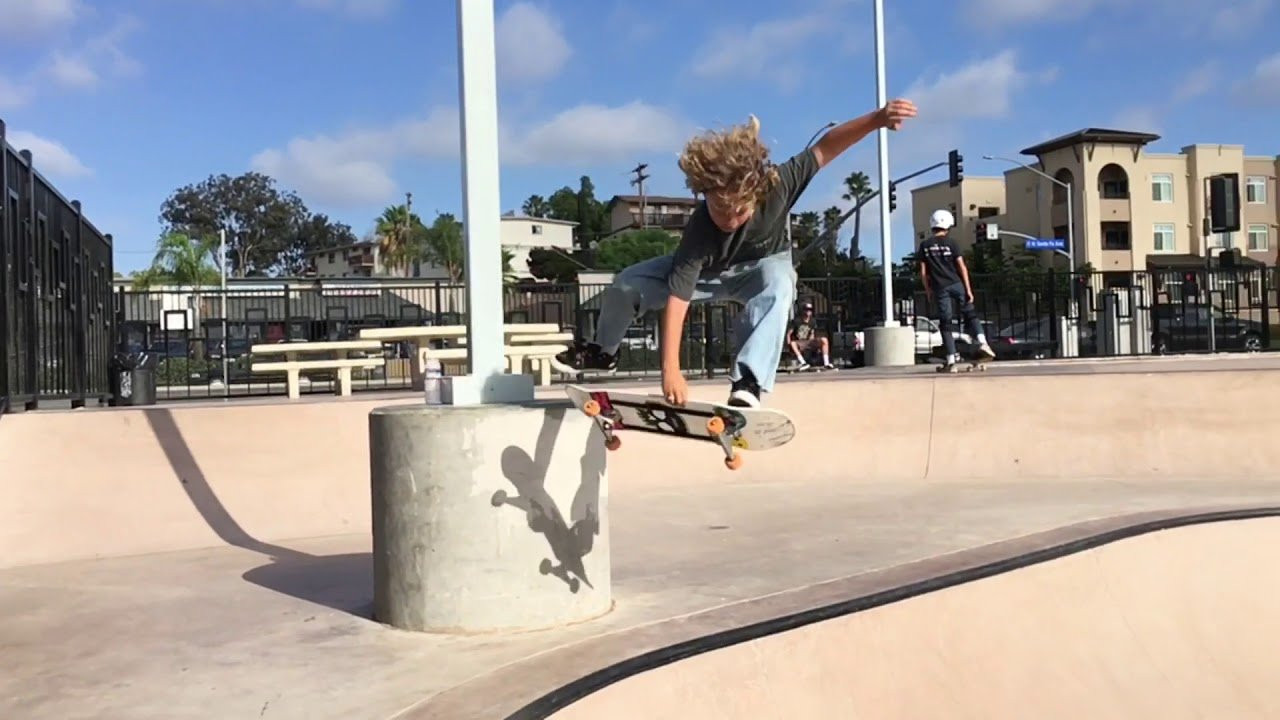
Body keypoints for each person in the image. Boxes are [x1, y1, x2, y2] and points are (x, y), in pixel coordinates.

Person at [558, 99, 918, 407]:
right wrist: (671, 368)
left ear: (755, 195)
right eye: (719, 210)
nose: (729, 220)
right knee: (626, 283)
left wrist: (876, 119)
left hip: (760, 270)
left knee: (780, 282)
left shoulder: (778, 184)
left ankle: (748, 382)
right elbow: (678, 299)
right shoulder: (700, 228)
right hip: (708, 277)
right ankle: (603, 352)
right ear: (705, 196)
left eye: (739, 212)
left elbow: (824, 149)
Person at [917, 209, 994, 370]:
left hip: (940, 287)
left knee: (946, 323)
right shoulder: (952, 243)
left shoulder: (925, 246)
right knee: (970, 313)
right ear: (947, 226)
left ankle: (951, 360)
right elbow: (962, 267)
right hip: (956, 283)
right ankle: (983, 342)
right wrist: (968, 289)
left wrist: (928, 290)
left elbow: (923, 273)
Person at [787, 301, 833, 370]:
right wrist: (789, 345)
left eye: (810, 310)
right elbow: (789, 334)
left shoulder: (813, 321)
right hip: (799, 342)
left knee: (824, 339)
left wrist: (815, 344)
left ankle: (826, 363)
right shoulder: (796, 321)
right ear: (803, 310)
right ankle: (803, 363)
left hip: (808, 341)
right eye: (806, 309)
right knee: (793, 343)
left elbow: (812, 333)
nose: (808, 311)